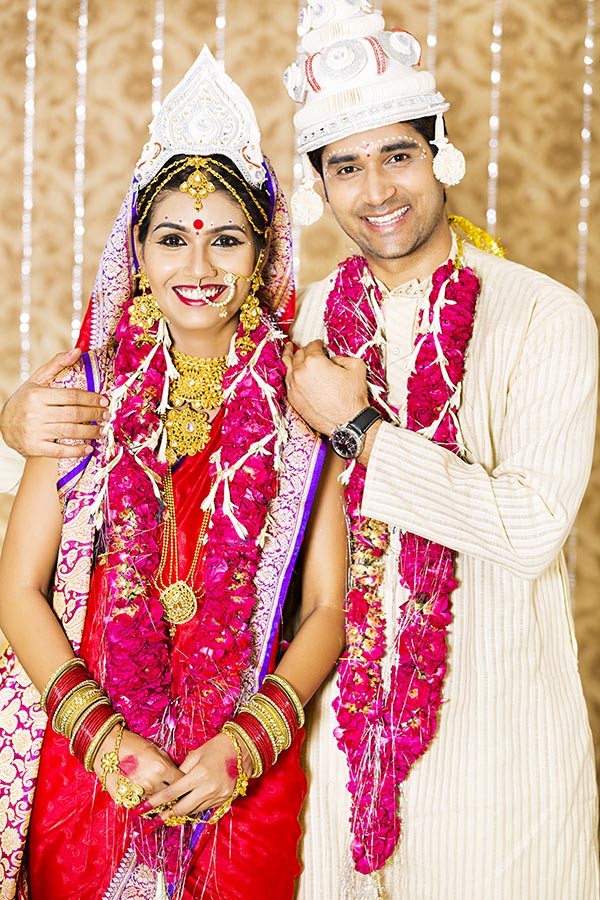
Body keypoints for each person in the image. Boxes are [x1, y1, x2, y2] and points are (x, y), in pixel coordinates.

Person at [0, 46, 345, 900]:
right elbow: (17, 590)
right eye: (173, 239)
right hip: (92, 766)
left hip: (243, 770)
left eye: (226, 238)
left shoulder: (309, 396)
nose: (199, 267)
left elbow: (329, 606)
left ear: (261, 255)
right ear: (140, 254)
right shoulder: (85, 393)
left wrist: (250, 742)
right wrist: (101, 739)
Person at [279, 2, 600, 899]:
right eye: (347, 166)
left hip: (499, 769)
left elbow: (531, 529)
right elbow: (180, 437)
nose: (377, 190)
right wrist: (18, 429)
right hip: (336, 769)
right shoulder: (300, 327)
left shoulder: (544, 318)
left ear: (438, 150)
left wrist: (360, 433)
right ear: (320, 183)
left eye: (399, 154)